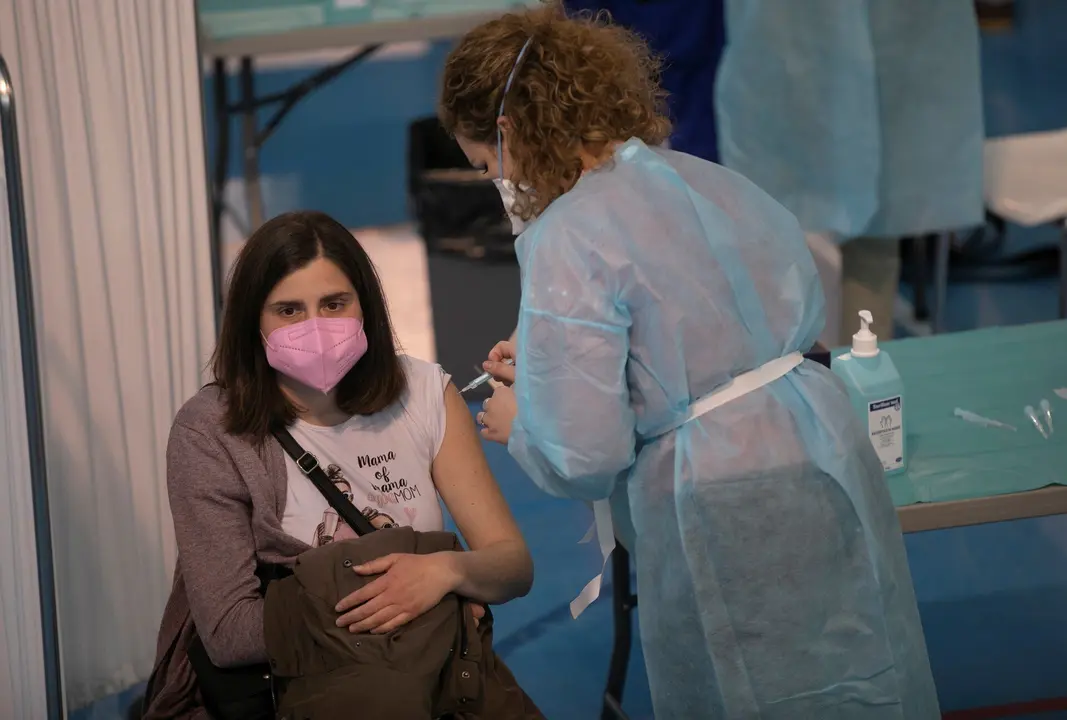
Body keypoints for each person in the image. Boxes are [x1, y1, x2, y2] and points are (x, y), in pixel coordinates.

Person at [439, 6, 939, 718]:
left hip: (721, 496)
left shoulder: (564, 236)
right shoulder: (697, 177)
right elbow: (710, 322)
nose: (497, 184)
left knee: (759, 691)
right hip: (822, 446)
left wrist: (524, 420)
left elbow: (585, 453)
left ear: (509, 132)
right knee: (862, 666)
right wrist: (561, 359)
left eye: (485, 164)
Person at [143, 210, 533, 718]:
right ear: (251, 321)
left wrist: (444, 570)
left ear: (364, 304)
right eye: (288, 310)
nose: (316, 327)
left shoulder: (423, 394)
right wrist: (418, 600)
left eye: (334, 303)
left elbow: (511, 565)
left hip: (425, 687)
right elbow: (227, 633)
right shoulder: (212, 431)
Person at [714, 0, 985, 341]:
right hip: (782, 61)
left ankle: (858, 385)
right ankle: (810, 381)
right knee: (780, 249)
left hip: (896, 52)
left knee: (875, 239)